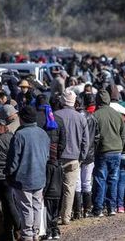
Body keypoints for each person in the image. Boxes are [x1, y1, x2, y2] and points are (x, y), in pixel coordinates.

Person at [5, 106, 50, 241]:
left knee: (25, 207)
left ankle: (27, 235)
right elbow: (46, 155)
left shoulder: (19, 135)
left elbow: (13, 161)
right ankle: (36, 233)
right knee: (36, 205)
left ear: (22, 118)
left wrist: (8, 173)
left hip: (22, 178)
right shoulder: (43, 133)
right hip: (40, 176)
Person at [54, 90, 89, 225]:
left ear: (62, 101)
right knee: (69, 189)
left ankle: (53, 215)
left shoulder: (55, 115)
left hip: (57, 157)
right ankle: (65, 217)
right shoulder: (81, 117)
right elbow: (86, 140)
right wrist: (82, 157)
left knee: (55, 188)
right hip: (74, 157)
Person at [34, 94, 66, 239]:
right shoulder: (58, 120)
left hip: (41, 163)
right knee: (55, 195)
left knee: (43, 196)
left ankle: (45, 228)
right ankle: (54, 227)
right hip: (56, 162)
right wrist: (57, 157)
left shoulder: (35, 119)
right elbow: (63, 143)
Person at [92, 90, 125, 217]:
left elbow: (93, 137)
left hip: (102, 151)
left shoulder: (95, 115)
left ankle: (99, 209)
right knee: (113, 179)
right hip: (116, 151)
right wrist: (120, 146)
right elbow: (123, 134)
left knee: (100, 179)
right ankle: (111, 208)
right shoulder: (117, 114)